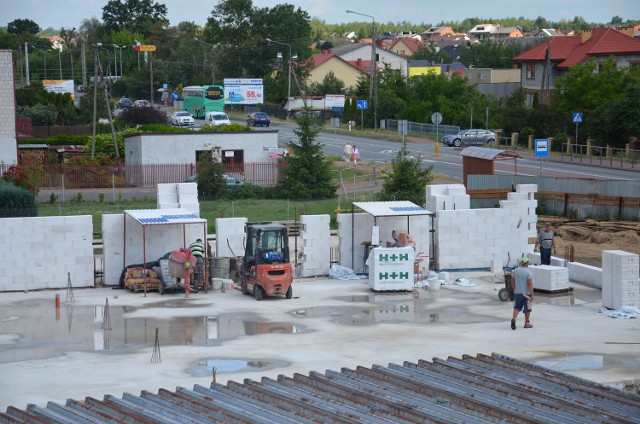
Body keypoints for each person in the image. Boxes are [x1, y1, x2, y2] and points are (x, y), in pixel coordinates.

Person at [511, 257, 534, 330]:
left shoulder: (515, 271)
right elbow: (530, 284)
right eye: (528, 263)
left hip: (518, 293)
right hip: (526, 294)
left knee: (517, 307)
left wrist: (514, 289)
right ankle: (527, 323)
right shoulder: (528, 272)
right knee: (527, 309)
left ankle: (514, 318)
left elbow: (512, 281)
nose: (528, 264)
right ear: (526, 263)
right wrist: (532, 294)